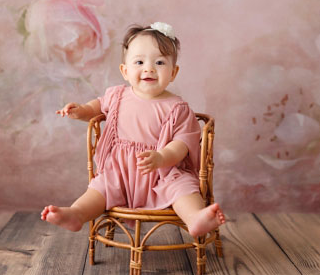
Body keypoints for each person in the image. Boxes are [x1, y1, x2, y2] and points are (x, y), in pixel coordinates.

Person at [41, 23, 225, 238]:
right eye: (139, 62)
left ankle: (194, 218)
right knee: (100, 187)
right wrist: (81, 111)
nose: (149, 68)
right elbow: (97, 107)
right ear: (125, 71)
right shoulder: (117, 96)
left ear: (173, 72)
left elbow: (182, 144)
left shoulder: (178, 108)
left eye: (159, 62)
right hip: (120, 170)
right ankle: (77, 214)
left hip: (162, 172)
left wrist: (161, 157)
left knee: (183, 186)